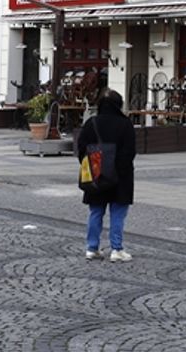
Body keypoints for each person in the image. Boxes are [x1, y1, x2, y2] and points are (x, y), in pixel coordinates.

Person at [77, 89, 137, 262]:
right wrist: (119, 169)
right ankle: (116, 249)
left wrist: (94, 166)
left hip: (96, 175)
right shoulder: (125, 124)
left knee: (96, 211)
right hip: (120, 177)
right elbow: (130, 151)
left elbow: (81, 149)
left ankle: (92, 248)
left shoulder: (92, 123)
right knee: (118, 213)